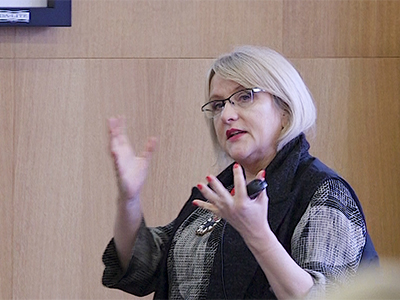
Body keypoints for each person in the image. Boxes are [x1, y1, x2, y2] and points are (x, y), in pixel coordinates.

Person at [102, 46, 378, 299]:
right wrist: (129, 199)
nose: (226, 116)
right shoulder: (218, 191)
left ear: (285, 109)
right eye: (218, 105)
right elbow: (143, 265)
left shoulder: (323, 192)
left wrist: (257, 234)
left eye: (244, 97)